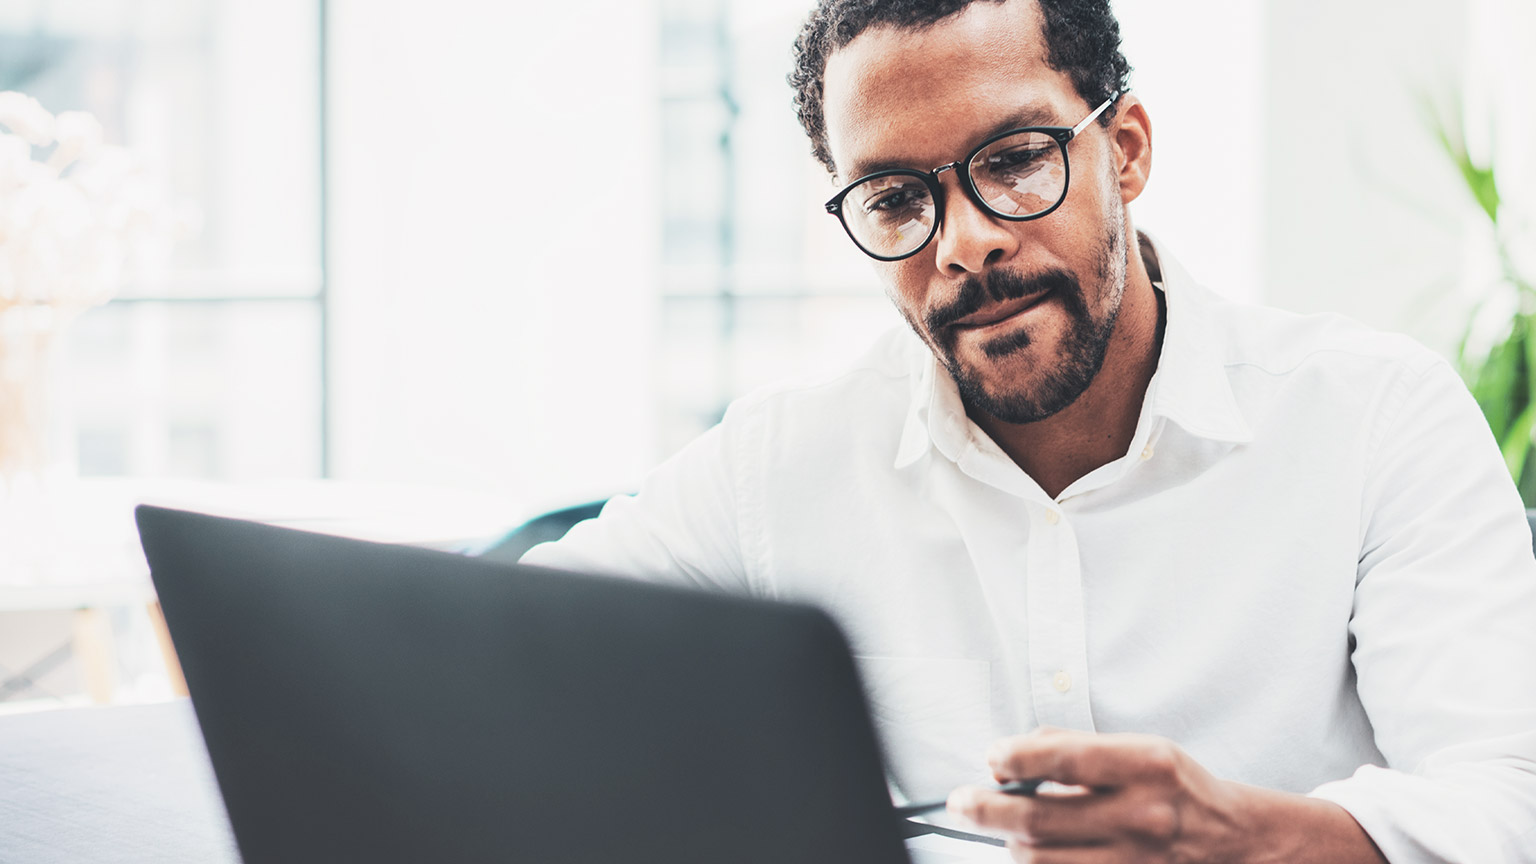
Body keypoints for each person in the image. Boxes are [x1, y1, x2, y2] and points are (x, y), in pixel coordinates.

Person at [522, 0, 1536, 860]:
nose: (965, 244)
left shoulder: (1374, 417)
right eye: (895, 199)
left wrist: (1236, 837)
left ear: (1125, 150)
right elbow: (508, 654)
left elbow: (1508, 799)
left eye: (1014, 161)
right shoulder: (783, 465)